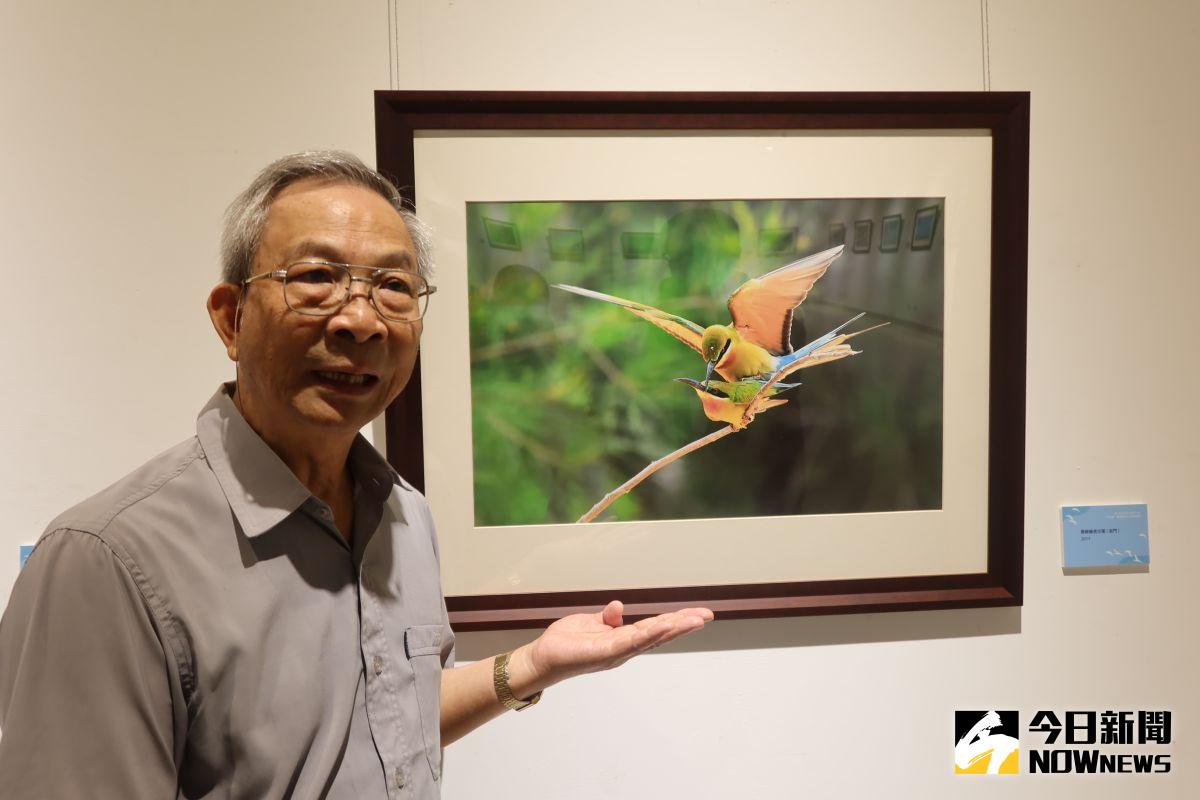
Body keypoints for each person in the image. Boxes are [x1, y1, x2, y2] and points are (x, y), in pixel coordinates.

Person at [0, 151, 714, 798]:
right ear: (231, 317)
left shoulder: (403, 516)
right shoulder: (108, 561)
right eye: (315, 278)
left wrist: (526, 667)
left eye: (395, 287)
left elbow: (375, 730)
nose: (361, 320)